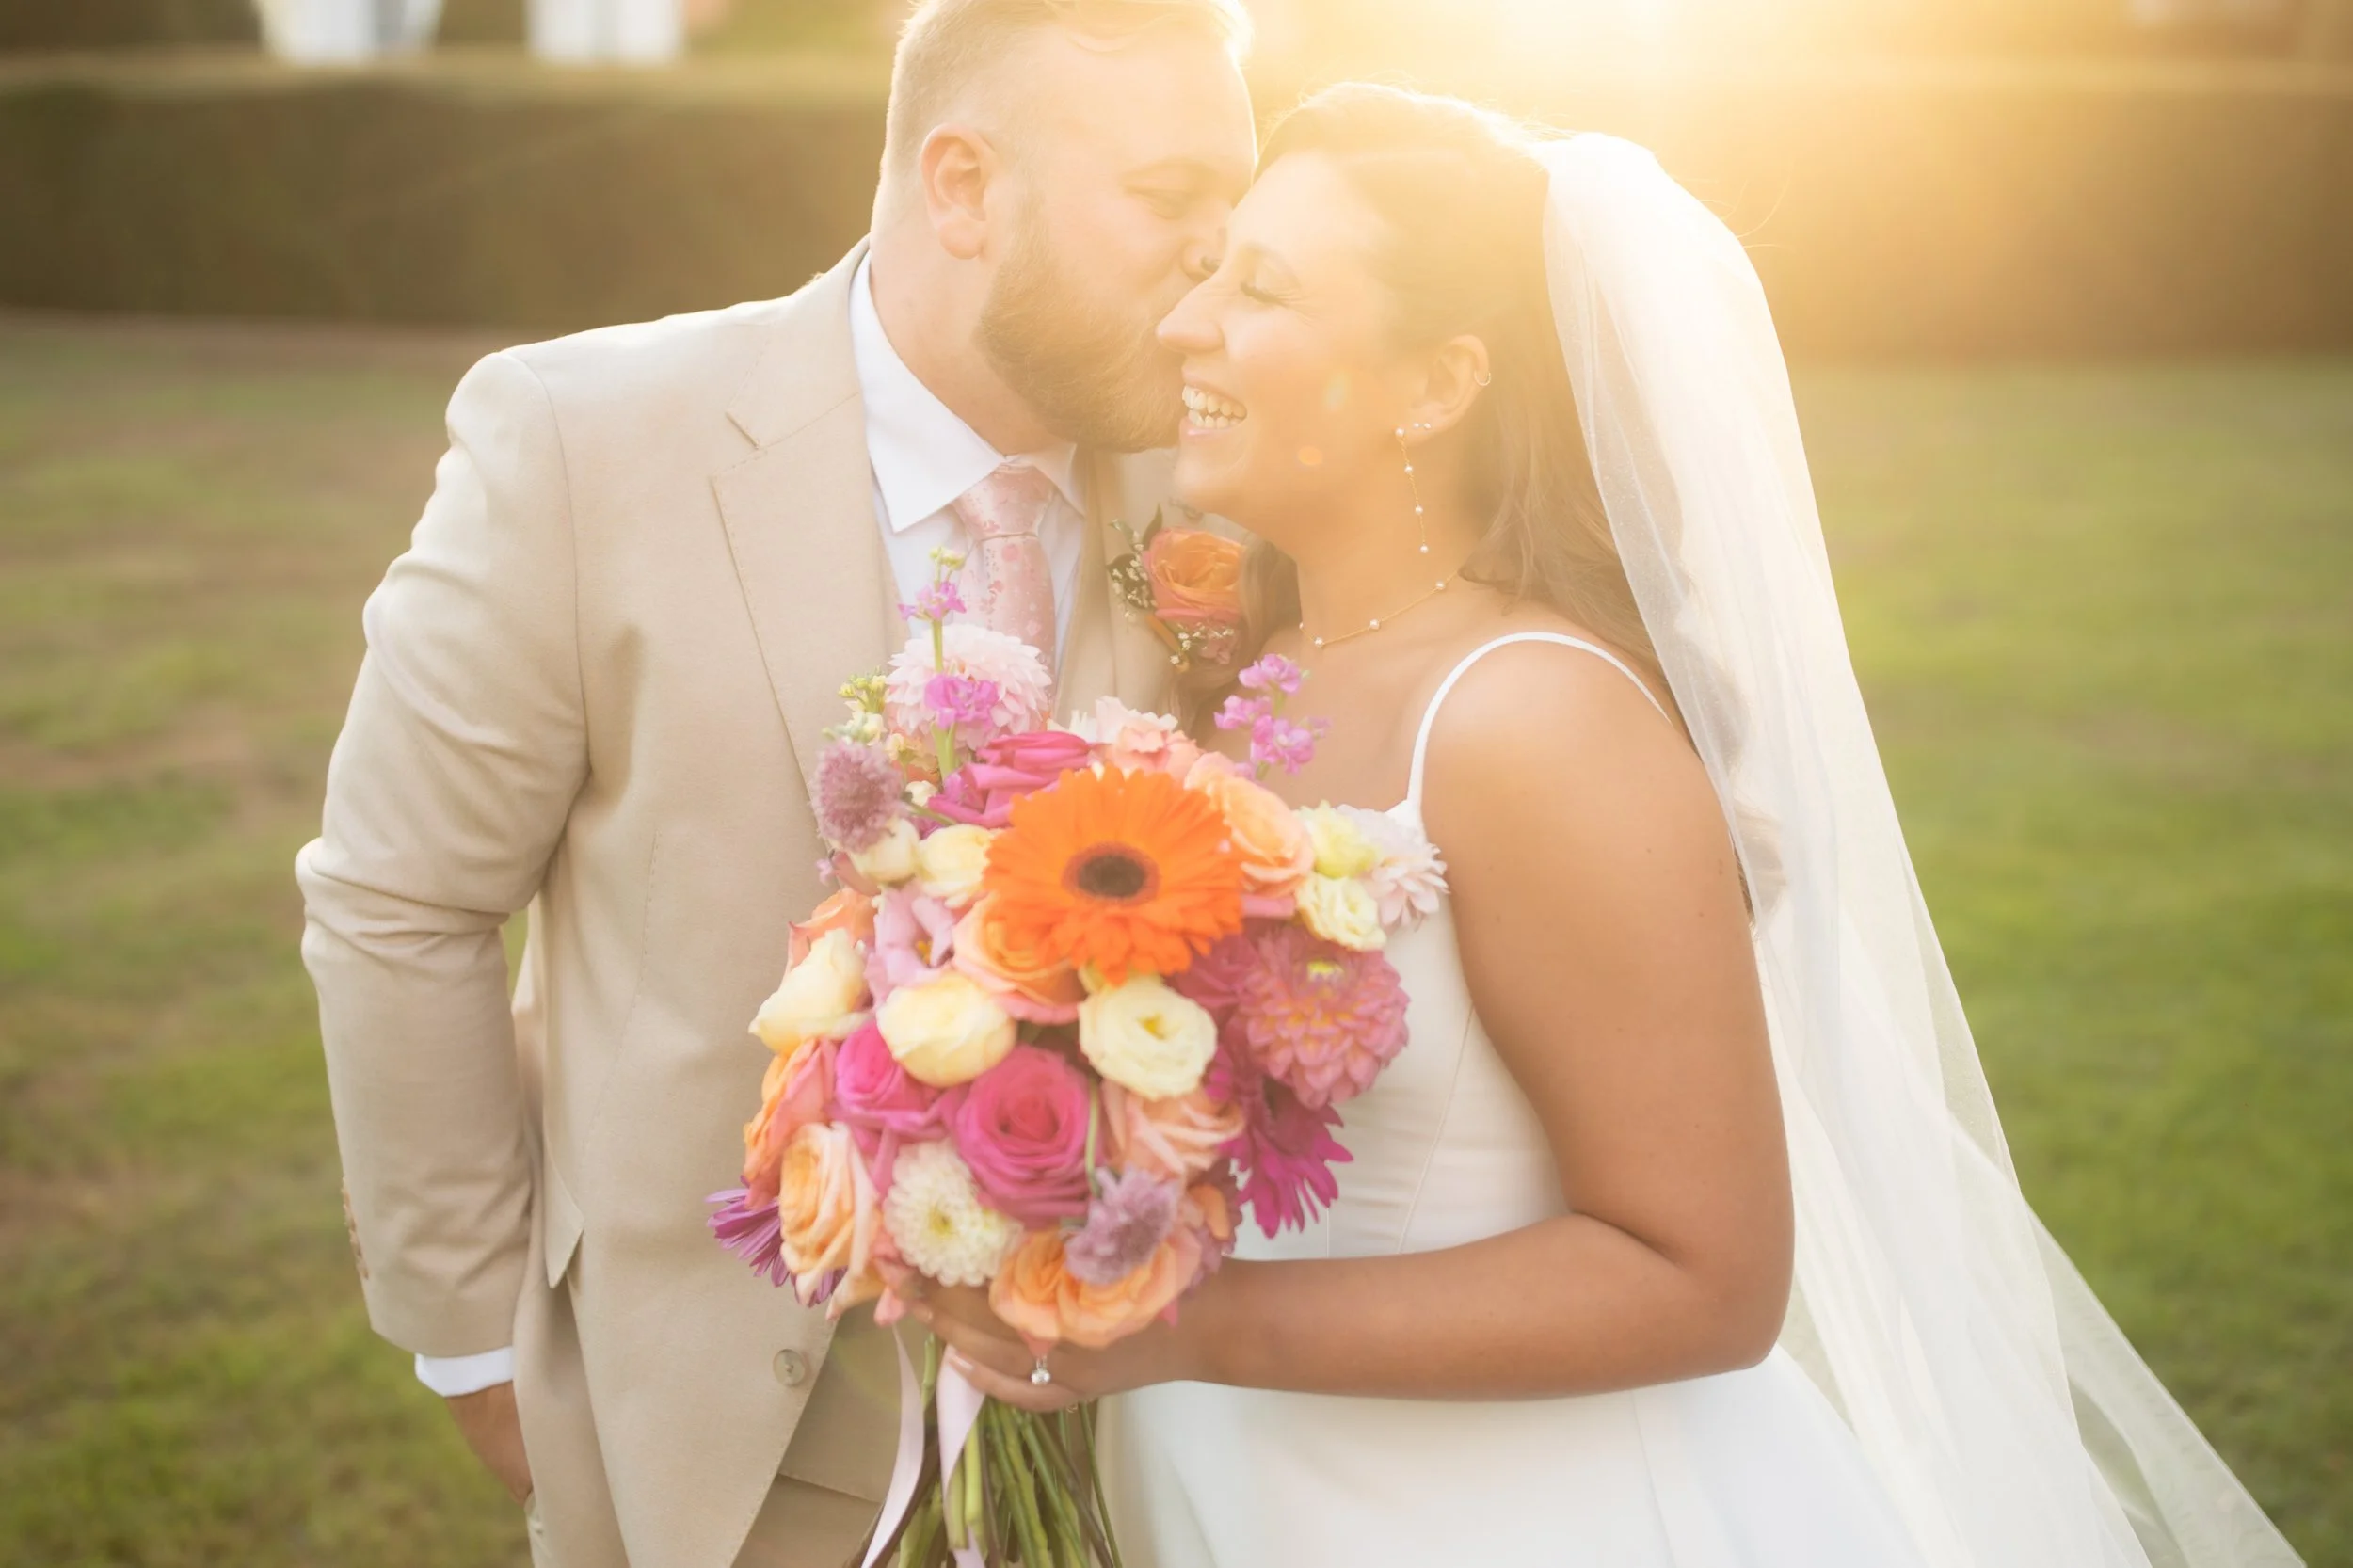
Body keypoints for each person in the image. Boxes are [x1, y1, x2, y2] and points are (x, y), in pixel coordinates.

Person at [904, 85, 2305, 1567]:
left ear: (1436, 383)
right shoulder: (1241, 684)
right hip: (1236, 1499)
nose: (1188, 328)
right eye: (1209, 275)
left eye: (1260, 289)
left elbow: (1703, 1274)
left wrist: (1196, 1322)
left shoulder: (1534, 724)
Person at [292, 4, 1255, 1566]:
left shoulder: (1229, 497)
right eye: (1171, 200)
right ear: (962, 187)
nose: (1222, 262)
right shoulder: (580, 443)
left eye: (1240, 202)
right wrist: (473, 1344)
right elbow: (400, 902)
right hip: (713, 1435)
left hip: (1148, 1445)